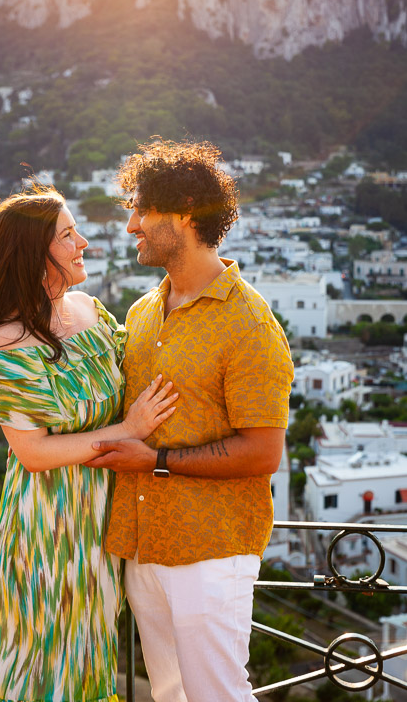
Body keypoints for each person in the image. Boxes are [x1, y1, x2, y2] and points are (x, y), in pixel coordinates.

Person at [85, 140, 294, 702]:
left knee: (217, 694)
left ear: (182, 211)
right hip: (143, 544)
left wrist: (153, 462)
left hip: (211, 548)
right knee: (172, 695)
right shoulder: (143, 311)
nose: (130, 225)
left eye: (140, 210)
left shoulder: (248, 322)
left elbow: (262, 452)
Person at [0, 187, 178, 702]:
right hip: (46, 532)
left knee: (82, 662)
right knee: (30, 668)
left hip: (103, 529)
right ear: (35, 255)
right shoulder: (8, 341)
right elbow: (33, 454)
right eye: (67, 235)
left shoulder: (90, 312)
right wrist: (129, 431)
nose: (84, 243)